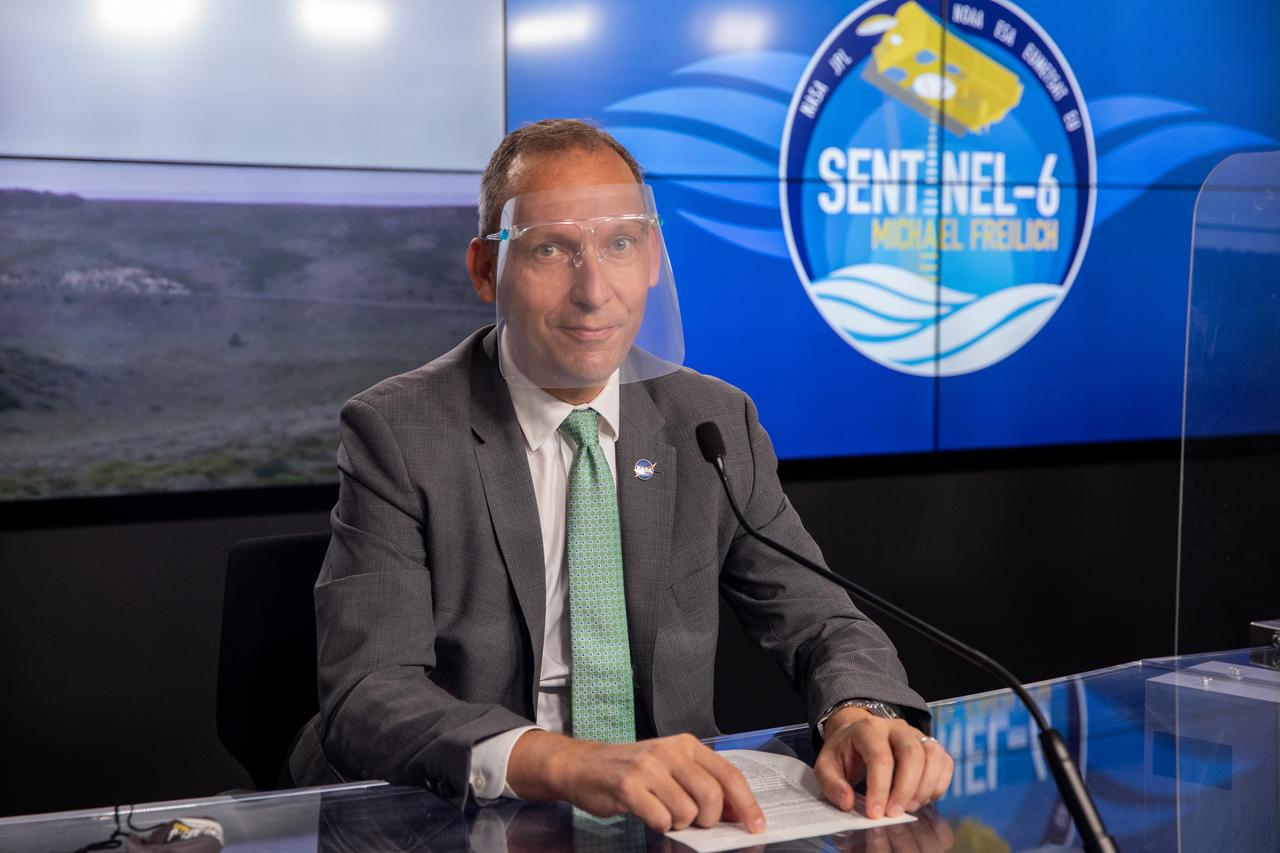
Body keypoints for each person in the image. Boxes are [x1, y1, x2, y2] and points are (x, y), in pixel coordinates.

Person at [289, 118, 953, 835]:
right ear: (487, 270)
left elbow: (821, 620)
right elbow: (368, 691)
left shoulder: (713, 421)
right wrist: (566, 761)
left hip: (669, 822)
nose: (594, 290)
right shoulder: (400, 429)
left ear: (654, 259)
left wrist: (860, 711)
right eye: (551, 249)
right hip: (455, 817)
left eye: (619, 244)